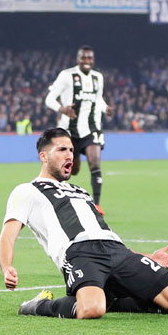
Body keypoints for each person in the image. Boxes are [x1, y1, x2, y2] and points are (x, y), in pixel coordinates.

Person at [0, 128, 168, 319]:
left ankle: (109, 300)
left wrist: (150, 257)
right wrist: (7, 267)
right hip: (79, 252)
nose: (69, 156)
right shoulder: (27, 190)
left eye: (72, 150)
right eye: (62, 150)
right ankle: (38, 305)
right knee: (91, 310)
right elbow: (8, 235)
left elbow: (101, 233)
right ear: (43, 156)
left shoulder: (80, 191)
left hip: (116, 250)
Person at [45, 46, 113, 215]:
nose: (87, 61)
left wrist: (106, 109)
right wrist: (62, 109)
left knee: (95, 162)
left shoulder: (98, 78)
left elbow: (98, 99)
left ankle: (97, 205)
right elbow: (49, 98)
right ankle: (59, 201)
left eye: (90, 58)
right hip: (69, 130)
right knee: (71, 170)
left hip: (91, 129)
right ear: (78, 59)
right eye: (84, 58)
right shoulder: (66, 76)